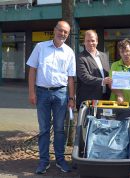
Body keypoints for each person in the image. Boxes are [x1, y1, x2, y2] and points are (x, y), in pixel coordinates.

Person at [27, 21, 76, 174]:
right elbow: (32, 70)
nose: (62, 34)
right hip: (42, 93)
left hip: (61, 94)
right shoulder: (40, 47)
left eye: (66, 32)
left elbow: (70, 78)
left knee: (60, 130)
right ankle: (44, 161)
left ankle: (60, 160)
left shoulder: (69, 52)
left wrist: (71, 98)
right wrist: (31, 92)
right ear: (54, 30)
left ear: (68, 34)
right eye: (60, 30)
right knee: (44, 130)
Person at [76, 30, 112, 109]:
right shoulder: (80, 58)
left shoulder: (104, 56)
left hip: (105, 97)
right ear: (84, 42)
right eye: (87, 41)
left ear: (97, 41)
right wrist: (103, 81)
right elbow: (84, 77)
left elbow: (108, 73)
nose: (90, 43)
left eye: (93, 40)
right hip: (88, 99)